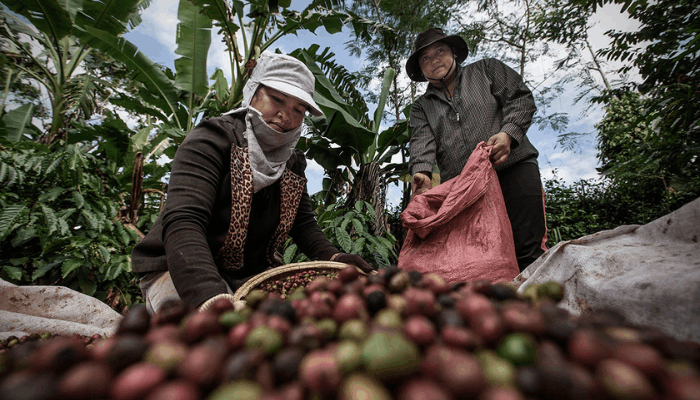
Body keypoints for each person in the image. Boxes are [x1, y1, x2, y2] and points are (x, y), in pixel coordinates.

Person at [131, 52, 371, 313]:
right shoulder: (212, 139)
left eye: (298, 110)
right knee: (209, 341)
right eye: (277, 99)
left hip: (250, 277)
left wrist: (335, 258)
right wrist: (209, 296)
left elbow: (303, 225)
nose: (285, 116)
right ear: (253, 93)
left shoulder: (292, 164)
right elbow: (185, 220)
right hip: (181, 269)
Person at [405, 28, 547, 272]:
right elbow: (421, 141)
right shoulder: (421, 107)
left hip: (514, 167)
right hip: (467, 187)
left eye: (440, 51)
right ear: (421, 69)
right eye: (425, 58)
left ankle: (535, 307)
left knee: (528, 249)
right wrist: (422, 172)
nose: (434, 60)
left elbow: (520, 99)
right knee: (480, 255)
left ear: (454, 54)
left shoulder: (487, 70)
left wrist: (508, 133)